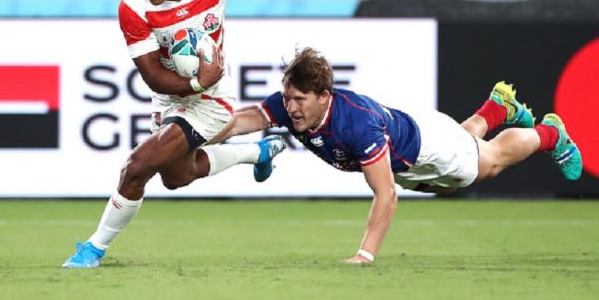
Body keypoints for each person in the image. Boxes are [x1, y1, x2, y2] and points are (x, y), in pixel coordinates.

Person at [211, 47, 583, 264]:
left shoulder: (356, 127)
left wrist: (365, 255)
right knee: (465, 156)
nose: (290, 107)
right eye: (287, 98)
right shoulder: (293, 104)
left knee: (490, 163)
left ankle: (550, 134)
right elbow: (245, 119)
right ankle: (496, 108)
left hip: (429, 147)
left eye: (299, 100)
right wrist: (202, 132)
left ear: (323, 96)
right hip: (414, 143)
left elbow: (387, 195)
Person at [63, 0, 287, 268]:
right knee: (176, 176)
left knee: (137, 167)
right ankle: (256, 153)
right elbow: (153, 76)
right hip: (174, 95)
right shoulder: (133, 7)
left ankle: (93, 248)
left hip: (212, 100)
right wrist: (198, 81)